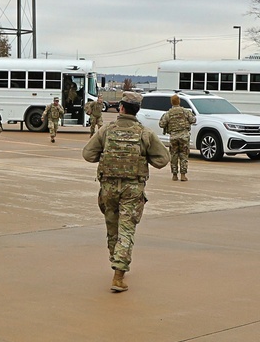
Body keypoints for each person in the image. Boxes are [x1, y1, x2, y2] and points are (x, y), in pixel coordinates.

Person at [82, 91, 170, 292]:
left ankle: (116, 261)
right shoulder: (145, 133)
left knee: (112, 227)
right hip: (132, 189)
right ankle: (119, 274)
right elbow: (162, 160)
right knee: (127, 229)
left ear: (121, 108)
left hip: (109, 188)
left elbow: (88, 154)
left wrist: (108, 157)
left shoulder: (106, 130)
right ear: (136, 111)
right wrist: (141, 158)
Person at [159, 94, 196, 181]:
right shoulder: (185, 111)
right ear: (179, 101)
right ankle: (183, 175)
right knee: (184, 155)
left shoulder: (168, 113)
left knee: (174, 155)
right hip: (184, 137)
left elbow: (161, 124)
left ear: (171, 102)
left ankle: (174, 175)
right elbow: (193, 120)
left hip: (173, 137)